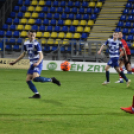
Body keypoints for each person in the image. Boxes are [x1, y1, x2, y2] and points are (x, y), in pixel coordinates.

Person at [9, 30, 61, 98]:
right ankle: (37, 94)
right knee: (28, 80)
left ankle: (52, 80)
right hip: (32, 63)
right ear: (28, 35)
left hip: (38, 62)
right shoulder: (26, 43)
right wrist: (15, 62)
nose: (32, 37)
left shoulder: (36, 44)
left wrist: (38, 63)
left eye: (34, 35)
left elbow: (41, 56)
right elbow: (23, 54)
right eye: (31, 35)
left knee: (35, 78)